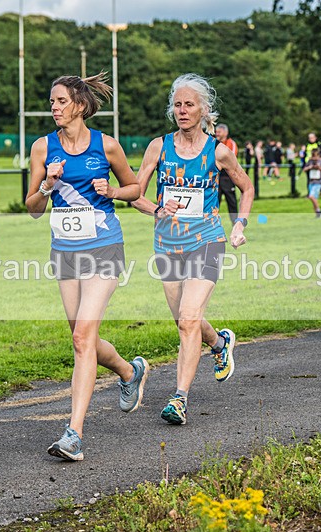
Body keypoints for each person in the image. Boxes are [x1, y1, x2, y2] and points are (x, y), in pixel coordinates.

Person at [25, 73, 145, 461]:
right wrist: (46, 184)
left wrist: (112, 190)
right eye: (51, 101)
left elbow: (134, 189)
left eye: (60, 101)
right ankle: (129, 371)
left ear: (78, 104)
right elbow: (31, 208)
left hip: (105, 246)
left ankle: (73, 434)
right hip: (65, 251)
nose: (54, 107)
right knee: (83, 338)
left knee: (81, 340)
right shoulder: (42, 148)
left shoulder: (106, 146)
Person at [131, 73, 254, 425]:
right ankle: (219, 343)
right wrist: (155, 209)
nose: (183, 110)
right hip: (167, 245)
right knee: (184, 320)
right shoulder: (158, 147)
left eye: (190, 105)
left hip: (207, 240)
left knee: (188, 319)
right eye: (178, 104)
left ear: (203, 110)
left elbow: (246, 188)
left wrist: (240, 224)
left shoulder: (218, 152)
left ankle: (179, 398)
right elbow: (134, 193)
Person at [215, 123, 239, 224]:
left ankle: (236, 224)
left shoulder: (231, 143)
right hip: (216, 177)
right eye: (216, 132)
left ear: (225, 132)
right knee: (214, 202)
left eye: (219, 132)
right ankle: (211, 223)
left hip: (228, 178)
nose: (217, 134)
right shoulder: (213, 143)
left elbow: (231, 158)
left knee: (232, 202)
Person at [303, 148, 321, 218]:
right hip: (311, 181)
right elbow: (304, 169)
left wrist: (319, 167)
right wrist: (310, 167)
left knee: (311, 196)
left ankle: (319, 210)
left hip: (318, 182)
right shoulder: (310, 162)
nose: (314, 158)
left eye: (316, 156)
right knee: (314, 199)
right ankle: (317, 213)